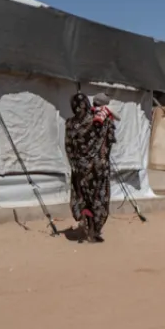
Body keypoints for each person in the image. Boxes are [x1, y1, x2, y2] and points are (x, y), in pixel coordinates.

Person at [65, 92, 116, 242]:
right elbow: (110, 139)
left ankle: (85, 223)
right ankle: (95, 229)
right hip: (98, 168)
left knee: (83, 196)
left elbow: (68, 147)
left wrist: (74, 163)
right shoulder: (99, 120)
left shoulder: (70, 124)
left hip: (80, 169)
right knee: (98, 198)